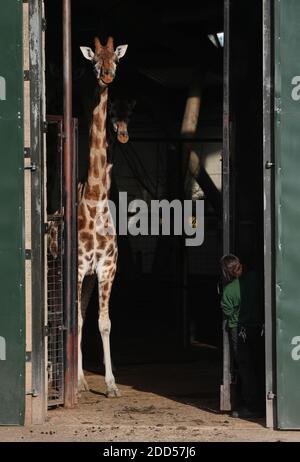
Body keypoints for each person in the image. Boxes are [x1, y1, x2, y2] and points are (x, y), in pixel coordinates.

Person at [220, 254, 265, 419]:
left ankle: (252, 406)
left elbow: (228, 311)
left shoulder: (229, 290)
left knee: (246, 369)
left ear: (227, 272)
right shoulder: (255, 278)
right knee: (260, 365)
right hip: (258, 328)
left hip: (239, 330)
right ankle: (264, 401)